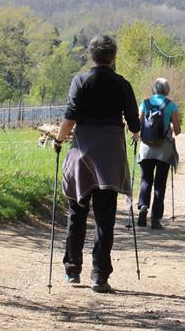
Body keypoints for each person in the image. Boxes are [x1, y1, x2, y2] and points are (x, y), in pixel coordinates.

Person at [53, 34, 140, 293]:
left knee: (77, 213)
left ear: (92, 55)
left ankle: (72, 270)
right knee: (105, 218)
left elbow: (70, 118)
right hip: (110, 155)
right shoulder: (122, 84)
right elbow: (135, 124)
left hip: (83, 153)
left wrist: (58, 140)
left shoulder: (80, 81)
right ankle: (99, 275)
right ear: (113, 57)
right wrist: (134, 134)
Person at [136, 78, 181, 229]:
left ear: (153, 88)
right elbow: (178, 130)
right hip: (164, 150)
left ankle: (143, 207)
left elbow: (137, 123)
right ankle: (155, 219)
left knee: (145, 180)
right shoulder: (171, 105)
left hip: (146, 149)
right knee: (160, 183)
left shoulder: (145, 103)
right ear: (167, 90)